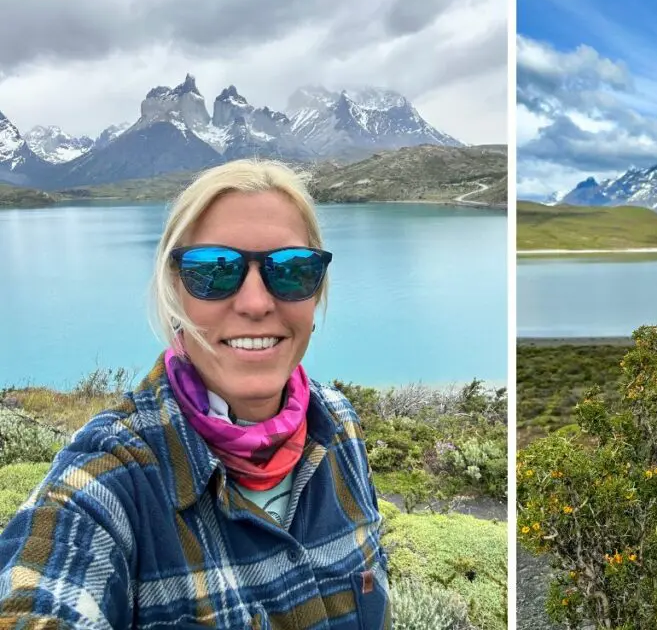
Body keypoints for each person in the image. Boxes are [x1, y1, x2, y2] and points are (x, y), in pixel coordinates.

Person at [0, 159, 391, 629]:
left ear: (316, 289)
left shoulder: (338, 427)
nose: (255, 303)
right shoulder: (111, 480)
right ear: (174, 290)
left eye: (291, 270)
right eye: (214, 271)